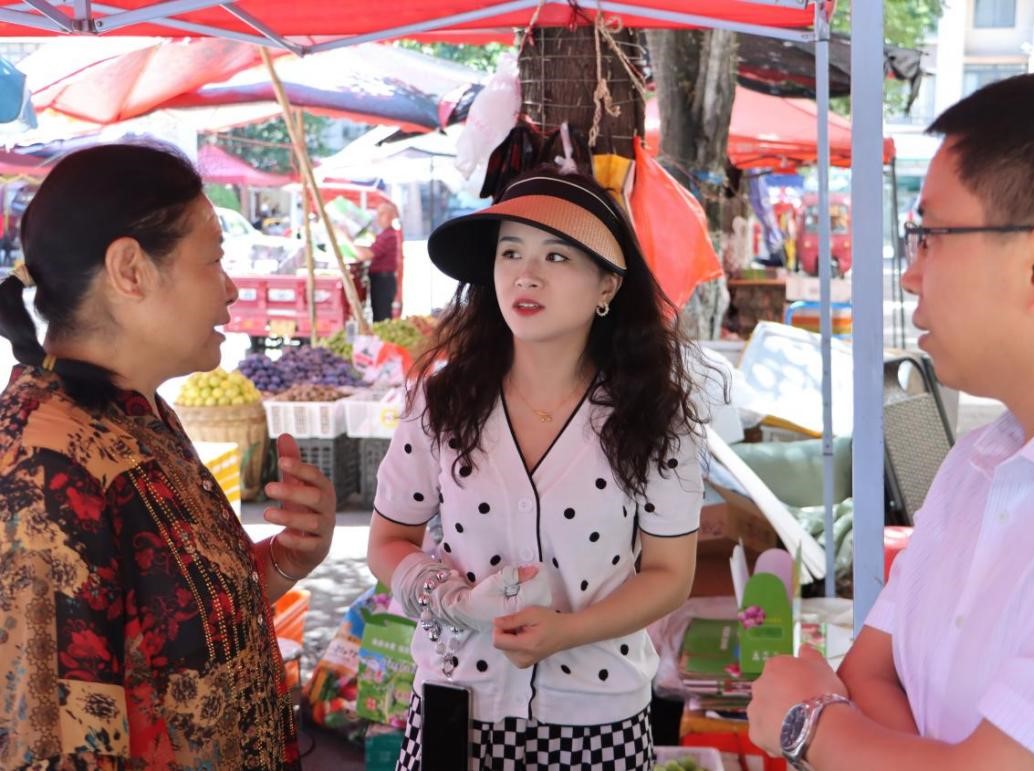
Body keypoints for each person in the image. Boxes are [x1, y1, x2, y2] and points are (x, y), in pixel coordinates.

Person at [747, 68, 1034, 770]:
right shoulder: (979, 460)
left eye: (930, 234)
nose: (911, 273)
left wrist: (809, 724)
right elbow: (869, 673)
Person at [0, 143, 338, 769]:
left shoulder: (134, 413)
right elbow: (51, 743)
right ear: (131, 270)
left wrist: (280, 564)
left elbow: (169, 626)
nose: (231, 289)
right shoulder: (47, 468)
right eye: (214, 260)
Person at [368, 165, 711, 770]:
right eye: (510, 252)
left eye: (556, 256)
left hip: (597, 723)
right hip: (456, 709)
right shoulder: (441, 402)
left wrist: (568, 632)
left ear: (607, 285)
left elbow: (669, 573)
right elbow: (388, 540)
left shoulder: (655, 417)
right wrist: (451, 600)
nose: (526, 274)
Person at [361, 199, 402, 322]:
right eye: (378, 214)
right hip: (380, 281)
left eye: (381, 214)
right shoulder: (384, 234)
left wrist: (346, 239)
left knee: (382, 317)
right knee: (378, 315)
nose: (378, 218)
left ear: (390, 216)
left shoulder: (389, 235)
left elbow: (367, 254)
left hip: (383, 281)